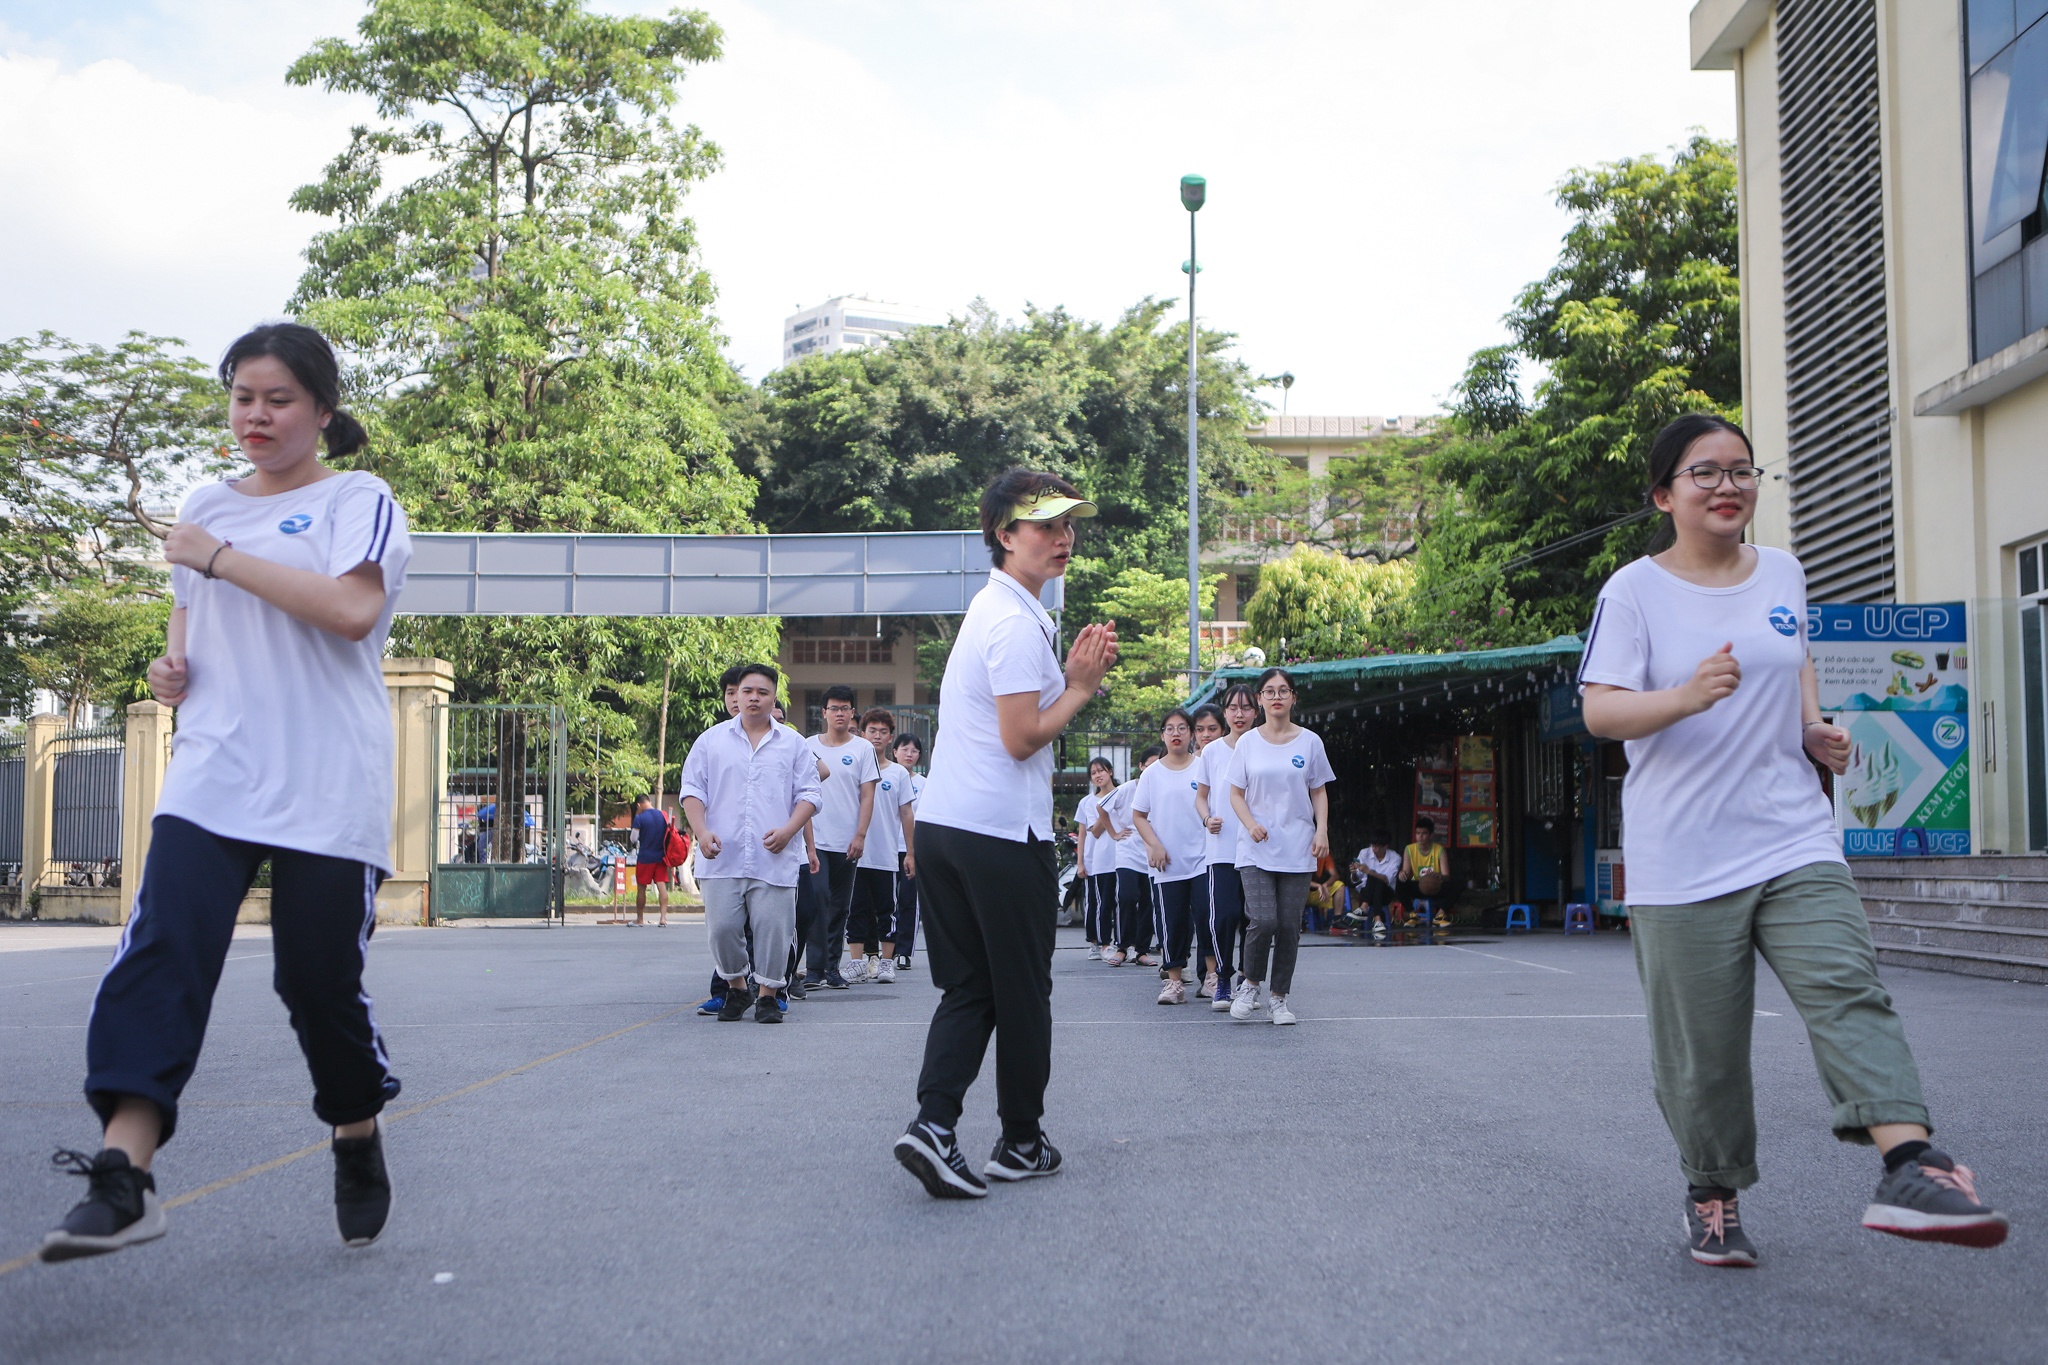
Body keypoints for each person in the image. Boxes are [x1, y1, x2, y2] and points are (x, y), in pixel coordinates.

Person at [1579, 412, 2008, 1267]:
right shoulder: (1634, 590)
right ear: (1665, 495)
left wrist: (1810, 727)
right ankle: (1713, 1192)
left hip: (1791, 834)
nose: (1729, 485)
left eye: (1742, 470)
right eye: (1705, 473)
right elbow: (1602, 708)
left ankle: (1911, 1163)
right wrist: (1685, 697)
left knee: (1847, 986)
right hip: (1683, 855)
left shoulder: (1783, 570)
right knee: (1703, 1055)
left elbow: (1794, 653)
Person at [40, 322, 410, 1262]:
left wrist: (216, 556)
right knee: (165, 947)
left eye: (278, 398)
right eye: (243, 396)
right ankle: (126, 1171)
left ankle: (355, 1126)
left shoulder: (356, 499)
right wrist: (174, 668)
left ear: (322, 410)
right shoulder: (207, 503)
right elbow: (189, 623)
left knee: (316, 978)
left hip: (327, 779)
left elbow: (351, 610)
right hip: (216, 771)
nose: (256, 415)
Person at [893, 469, 1116, 1200]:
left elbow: (1017, 718)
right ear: (1003, 534)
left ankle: (933, 1124)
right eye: (1045, 525)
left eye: (1067, 524)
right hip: (996, 832)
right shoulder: (1016, 622)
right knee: (1022, 991)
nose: (1063, 537)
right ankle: (1021, 1140)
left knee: (971, 986)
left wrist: (1074, 673)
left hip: (946, 828)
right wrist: (1080, 687)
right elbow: (1022, 737)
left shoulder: (995, 610)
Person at [679, 663, 822, 1025]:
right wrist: (701, 832)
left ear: (774, 697)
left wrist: (790, 831)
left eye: (762, 692)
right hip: (721, 854)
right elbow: (692, 791)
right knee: (722, 929)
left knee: (774, 929)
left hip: (773, 857)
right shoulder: (710, 741)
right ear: (735, 696)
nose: (754, 698)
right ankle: (737, 987)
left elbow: (809, 793)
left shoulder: (792, 744)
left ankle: (769, 997)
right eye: (747, 691)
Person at [1226, 667, 1334, 1027]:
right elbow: (1235, 794)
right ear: (1260, 699)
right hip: (1255, 848)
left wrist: (1321, 831)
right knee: (1264, 919)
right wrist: (1251, 824)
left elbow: (1318, 790)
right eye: (1269, 691)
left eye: (1283, 690)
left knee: (1289, 925)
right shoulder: (1247, 743)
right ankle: (1250, 985)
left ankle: (1279, 998)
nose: (1276, 696)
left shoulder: (1310, 742)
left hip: (1297, 847)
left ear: (1293, 698)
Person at [802, 685, 878, 990]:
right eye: (834, 708)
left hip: (848, 842)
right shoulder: (807, 746)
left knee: (840, 906)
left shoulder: (862, 749)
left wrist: (860, 835)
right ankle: (813, 968)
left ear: (852, 713)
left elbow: (868, 795)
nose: (840, 714)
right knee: (816, 901)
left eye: (846, 708)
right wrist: (807, 843)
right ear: (823, 713)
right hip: (816, 840)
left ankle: (832, 968)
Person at [1131, 709, 1209, 1005]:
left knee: (1206, 918)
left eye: (1182, 728)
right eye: (1169, 728)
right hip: (1168, 864)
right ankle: (1174, 982)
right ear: (1162, 735)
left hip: (1203, 859)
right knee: (1172, 922)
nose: (1176, 733)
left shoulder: (1204, 767)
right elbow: (1139, 816)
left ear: (1191, 733)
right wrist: (1154, 845)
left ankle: (1212, 979)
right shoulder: (1151, 773)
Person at [1196, 683, 1259, 1011]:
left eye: (1246, 707)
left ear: (1256, 711)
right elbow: (1201, 797)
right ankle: (1222, 976)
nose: (1239, 714)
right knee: (1223, 916)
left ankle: (1248, 981)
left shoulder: (1264, 746)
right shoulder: (1212, 751)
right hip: (1221, 848)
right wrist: (1207, 819)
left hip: (1257, 848)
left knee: (1254, 918)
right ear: (1225, 712)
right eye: (1233, 708)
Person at [848, 708, 918, 982]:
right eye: (872, 731)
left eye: (883, 732)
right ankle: (856, 963)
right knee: (855, 910)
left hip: (885, 854)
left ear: (890, 738)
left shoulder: (899, 773)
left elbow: (906, 814)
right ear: (862, 734)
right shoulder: (852, 767)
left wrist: (911, 852)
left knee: (887, 911)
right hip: (854, 854)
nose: (877, 736)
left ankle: (887, 962)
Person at [1093, 746, 1163, 967]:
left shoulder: (1162, 789)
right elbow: (1101, 807)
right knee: (1127, 897)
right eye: (1148, 765)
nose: (1152, 769)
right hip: (1128, 851)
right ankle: (1123, 947)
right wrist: (1114, 833)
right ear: (1141, 766)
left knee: (1147, 902)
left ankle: (1141, 950)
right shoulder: (1127, 788)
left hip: (1151, 851)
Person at [1074, 758, 1119, 961]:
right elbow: (1089, 832)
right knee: (1099, 902)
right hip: (1098, 860)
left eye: (1101, 770)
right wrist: (1081, 862)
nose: (1098, 775)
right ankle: (1100, 942)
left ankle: (1124, 944)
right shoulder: (1088, 803)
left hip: (1123, 857)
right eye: (1093, 773)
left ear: (1110, 771)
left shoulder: (1123, 794)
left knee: (1123, 902)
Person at [889, 733, 926, 971]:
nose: (909, 754)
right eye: (904, 749)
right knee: (886, 902)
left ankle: (904, 952)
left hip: (912, 849)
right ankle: (885, 950)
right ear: (894, 752)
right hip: (887, 848)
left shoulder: (925, 783)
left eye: (914, 750)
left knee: (909, 901)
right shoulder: (885, 777)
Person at [1398, 817, 1450, 943]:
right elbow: (1406, 872)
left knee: (1458, 884)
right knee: (1399, 883)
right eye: (1418, 833)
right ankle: (1412, 915)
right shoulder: (1409, 849)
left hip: (1436, 887)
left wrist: (1439, 876)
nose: (1420, 837)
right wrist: (1402, 874)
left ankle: (1440, 915)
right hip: (1419, 886)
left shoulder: (1439, 850)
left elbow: (1446, 876)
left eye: (1424, 833)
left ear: (1431, 835)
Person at [1348, 831, 1401, 943]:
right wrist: (1353, 873)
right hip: (1366, 891)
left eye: (1377, 846)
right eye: (1373, 845)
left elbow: (1387, 879)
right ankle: (1378, 920)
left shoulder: (1395, 857)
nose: (1374, 849)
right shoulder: (1364, 853)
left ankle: (1364, 908)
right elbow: (1356, 879)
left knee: (1376, 878)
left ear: (1386, 846)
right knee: (1372, 878)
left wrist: (1369, 871)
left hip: (1386, 893)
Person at [630, 794, 671, 927]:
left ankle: (640, 919)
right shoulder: (663, 815)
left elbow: (633, 839)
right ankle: (663, 918)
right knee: (662, 886)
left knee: (641, 888)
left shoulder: (639, 817)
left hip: (645, 857)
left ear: (638, 805)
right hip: (661, 857)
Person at [1306, 866, 1348, 933]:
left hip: (1320, 893)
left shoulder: (1324, 856)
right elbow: (1297, 878)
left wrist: (1325, 885)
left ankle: (1337, 920)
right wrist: (1317, 885)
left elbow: (1335, 875)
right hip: (1302, 894)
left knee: (1339, 885)